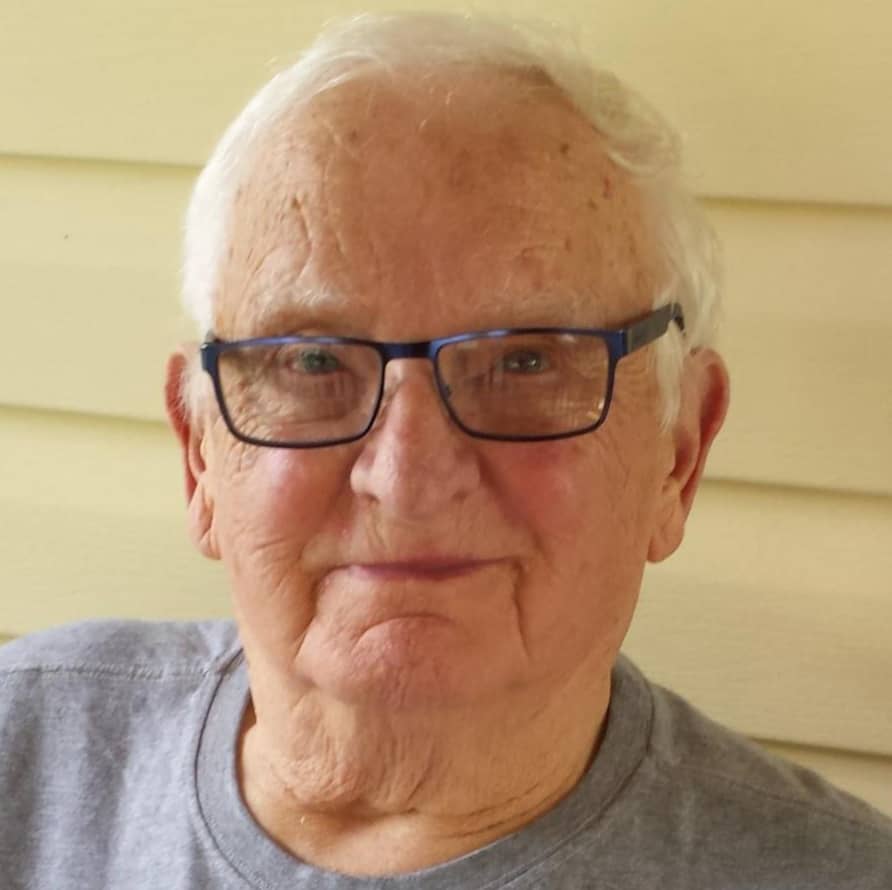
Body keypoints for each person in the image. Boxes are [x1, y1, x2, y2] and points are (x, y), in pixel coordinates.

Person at [1, 12, 890, 889]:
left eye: (527, 361)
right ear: (199, 453)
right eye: (312, 362)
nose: (407, 479)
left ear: (678, 454)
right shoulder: (24, 755)